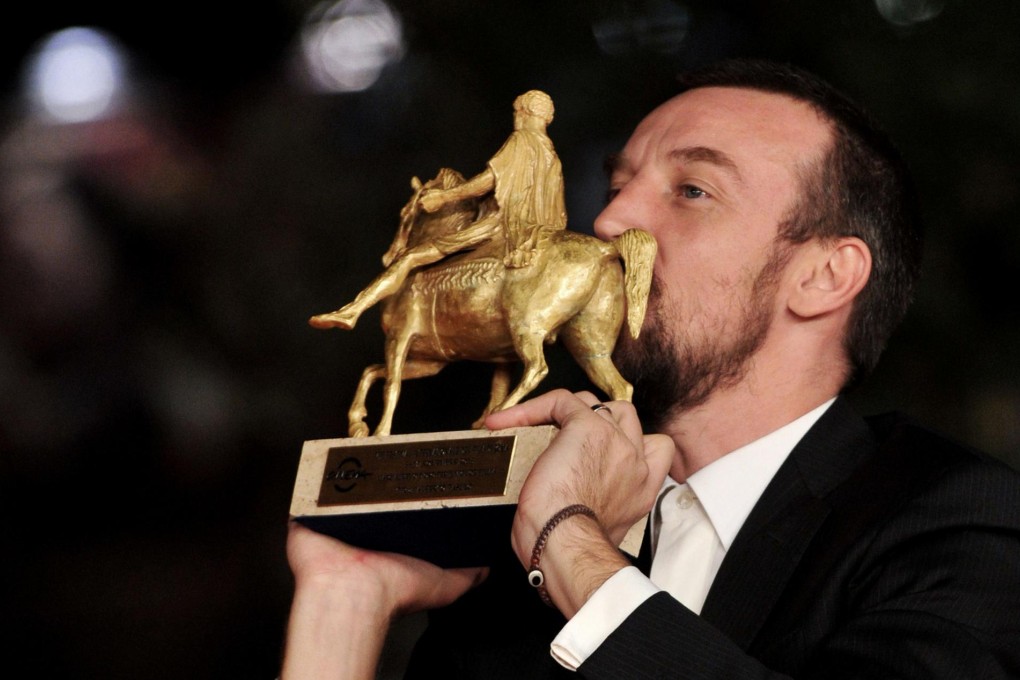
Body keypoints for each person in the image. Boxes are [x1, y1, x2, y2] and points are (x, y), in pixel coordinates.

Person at [280, 58, 1020, 679]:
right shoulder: (510, 542)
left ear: (824, 277)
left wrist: (569, 546)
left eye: (693, 190)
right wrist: (346, 600)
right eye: (617, 183)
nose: (609, 222)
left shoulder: (961, 520)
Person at [309, 89, 567, 331]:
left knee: (411, 257)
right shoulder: (551, 155)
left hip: (500, 227)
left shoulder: (521, 140)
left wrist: (445, 197)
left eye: (516, 112)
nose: (515, 118)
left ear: (525, 113)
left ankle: (352, 311)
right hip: (535, 232)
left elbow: (489, 181)